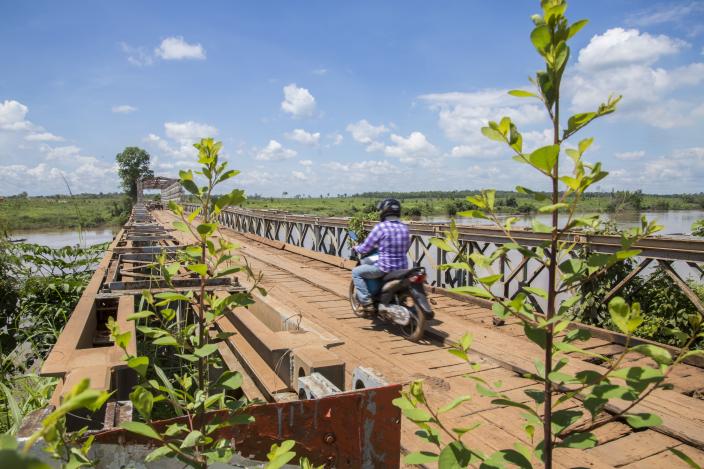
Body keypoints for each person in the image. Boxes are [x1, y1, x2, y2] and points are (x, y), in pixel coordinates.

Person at [352, 198, 411, 314]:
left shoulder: (381, 227)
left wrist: (356, 248)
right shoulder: (404, 227)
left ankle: (366, 302)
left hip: (385, 268)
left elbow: (366, 247)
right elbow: (407, 246)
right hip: (402, 269)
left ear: (384, 211)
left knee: (356, 272)